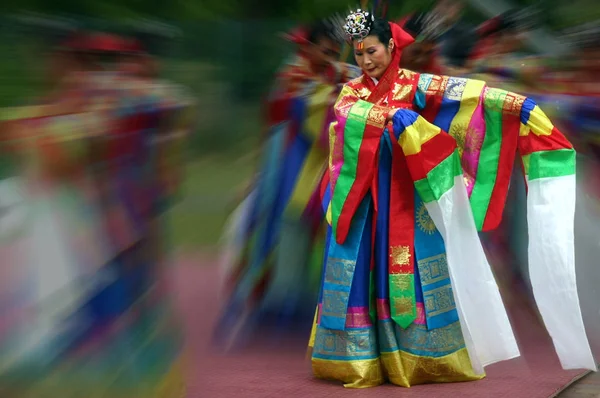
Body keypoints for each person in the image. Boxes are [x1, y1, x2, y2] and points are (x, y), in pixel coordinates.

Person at [308, 10, 596, 388]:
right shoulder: (352, 91)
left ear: (391, 47)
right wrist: (390, 118)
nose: (365, 62)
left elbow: (468, 93)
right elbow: (347, 117)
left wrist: (516, 105)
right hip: (363, 202)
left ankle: (424, 354)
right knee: (362, 268)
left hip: (409, 199)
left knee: (418, 268)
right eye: (359, 55)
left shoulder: (418, 83)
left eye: (372, 51)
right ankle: (358, 357)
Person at [215, 18, 361, 349]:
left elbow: (352, 84)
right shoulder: (293, 75)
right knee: (284, 227)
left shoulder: (335, 73)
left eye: (335, 50)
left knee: (321, 231)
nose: (331, 56)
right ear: (307, 47)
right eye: (324, 50)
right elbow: (316, 107)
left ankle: (312, 303)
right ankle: (277, 304)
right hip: (289, 167)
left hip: (318, 165)